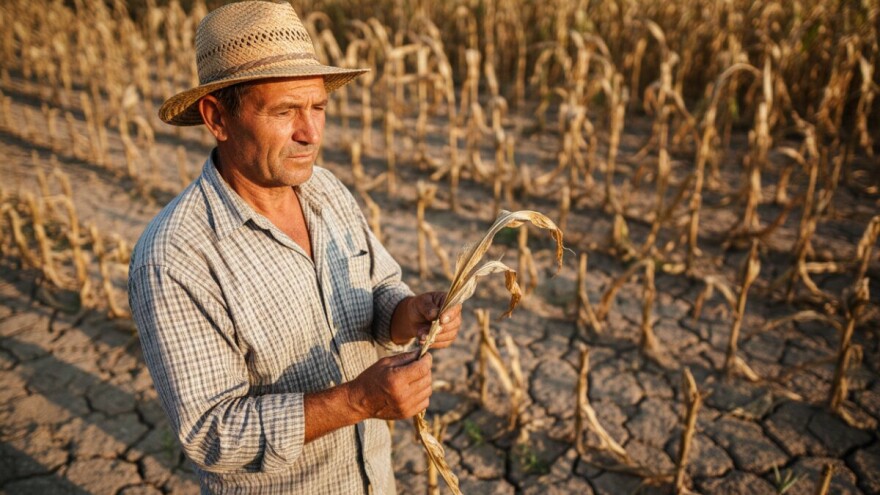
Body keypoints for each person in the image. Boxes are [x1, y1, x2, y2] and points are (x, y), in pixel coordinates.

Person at [128, 2, 462, 494]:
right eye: (285, 111)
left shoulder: (325, 190)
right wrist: (358, 401)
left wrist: (409, 312)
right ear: (217, 117)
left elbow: (379, 290)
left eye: (318, 107)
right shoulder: (175, 256)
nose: (311, 133)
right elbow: (212, 434)